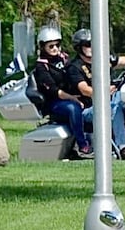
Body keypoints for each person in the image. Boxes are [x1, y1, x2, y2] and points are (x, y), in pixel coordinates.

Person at [62, 28, 125, 155]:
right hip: (88, 108)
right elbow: (85, 90)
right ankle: (123, 147)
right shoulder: (74, 67)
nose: (92, 47)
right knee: (113, 108)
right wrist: (105, 92)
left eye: (94, 43)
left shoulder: (101, 61)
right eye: (87, 45)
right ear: (79, 47)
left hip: (108, 100)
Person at [31, 26, 91, 158]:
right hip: (54, 102)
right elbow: (53, 90)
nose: (55, 49)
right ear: (42, 47)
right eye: (51, 46)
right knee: (73, 108)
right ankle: (82, 145)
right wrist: (72, 98)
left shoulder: (65, 59)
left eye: (57, 45)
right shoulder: (42, 66)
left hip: (71, 96)